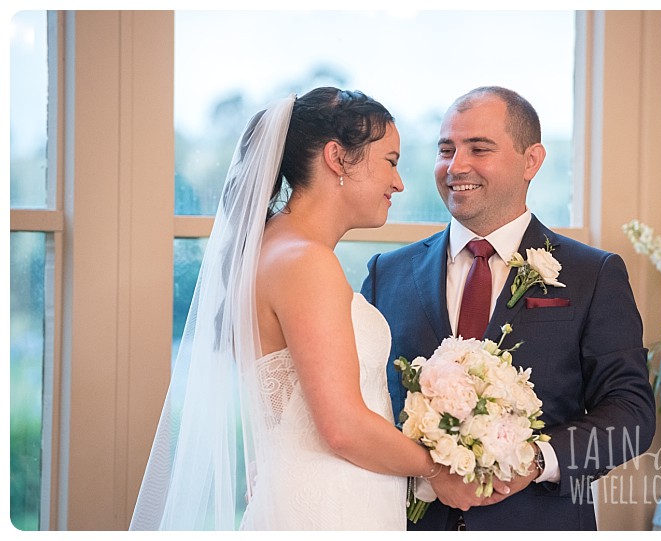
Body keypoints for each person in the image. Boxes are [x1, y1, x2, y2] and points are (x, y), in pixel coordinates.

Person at [130, 87, 479, 531]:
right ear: (337, 157)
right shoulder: (306, 262)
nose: (399, 182)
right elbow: (343, 427)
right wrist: (437, 469)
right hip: (330, 512)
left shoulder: (272, 249)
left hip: (312, 496)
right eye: (390, 161)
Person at [361, 86, 657, 530]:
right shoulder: (389, 273)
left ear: (532, 161)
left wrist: (536, 460)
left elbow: (631, 411)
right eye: (446, 149)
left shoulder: (592, 274)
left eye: (479, 149)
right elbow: (360, 402)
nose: (456, 166)